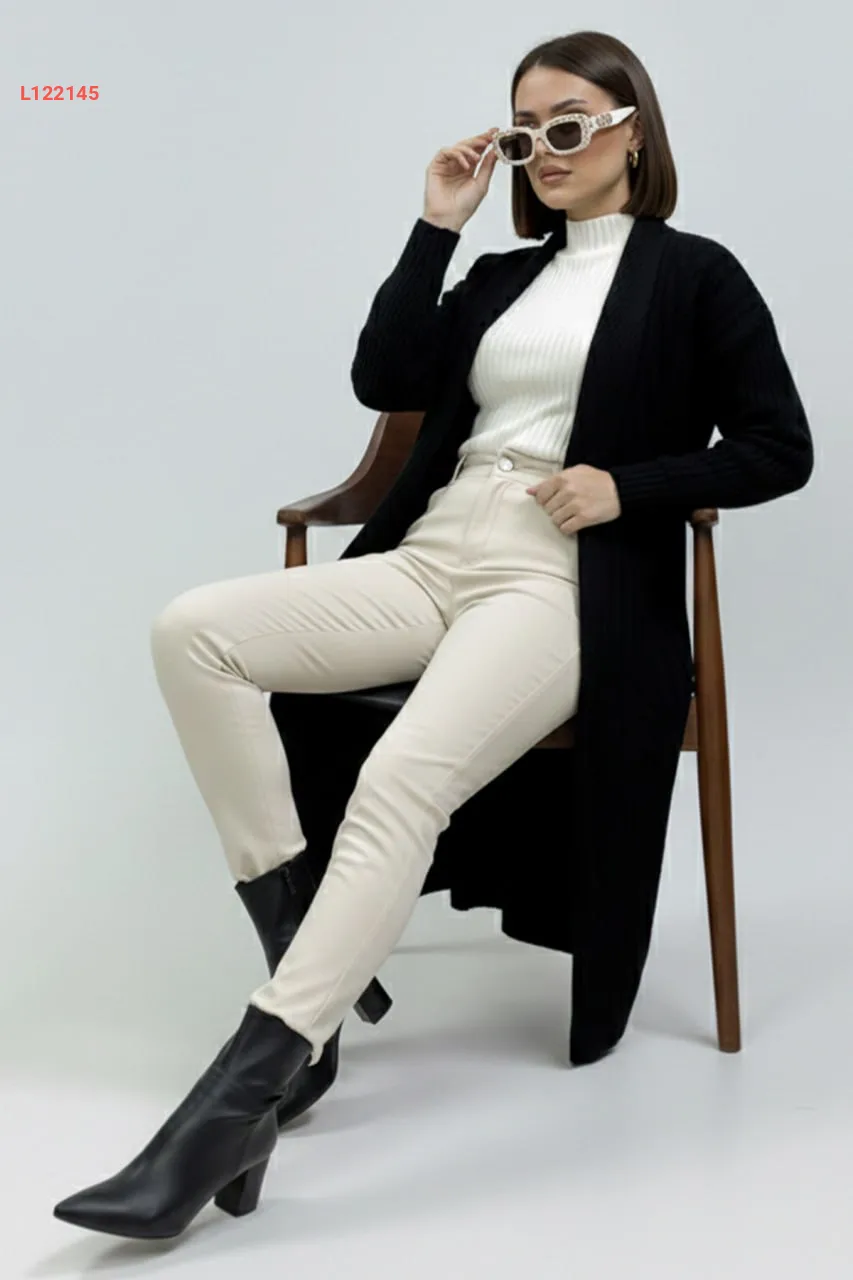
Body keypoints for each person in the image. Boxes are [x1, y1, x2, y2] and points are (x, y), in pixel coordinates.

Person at [53, 28, 813, 1240]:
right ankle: (310, 953)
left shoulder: (694, 276)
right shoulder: (502, 277)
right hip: (431, 553)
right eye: (526, 132)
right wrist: (437, 225)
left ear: (631, 134)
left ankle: (235, 1103)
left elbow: (780, 446)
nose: (545, 149)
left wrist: (627, 486)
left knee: (404, 773)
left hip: (559, 580)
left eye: (569, 125)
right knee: (193, 633)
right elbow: (384, 374)